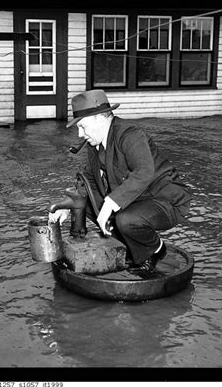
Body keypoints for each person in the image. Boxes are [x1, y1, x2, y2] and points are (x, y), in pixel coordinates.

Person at [49, 89, 191, 275]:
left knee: (125, 219)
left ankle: (155, 249)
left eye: (82, 126)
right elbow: (88, 179)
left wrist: (110, 204)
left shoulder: (130, 134)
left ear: (99, 118)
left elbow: (144, 171)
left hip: (166, 200)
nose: (79, 134)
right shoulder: (96, 143)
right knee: (88, 206)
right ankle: (130, 246)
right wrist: (68, 207)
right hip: (136, 199)